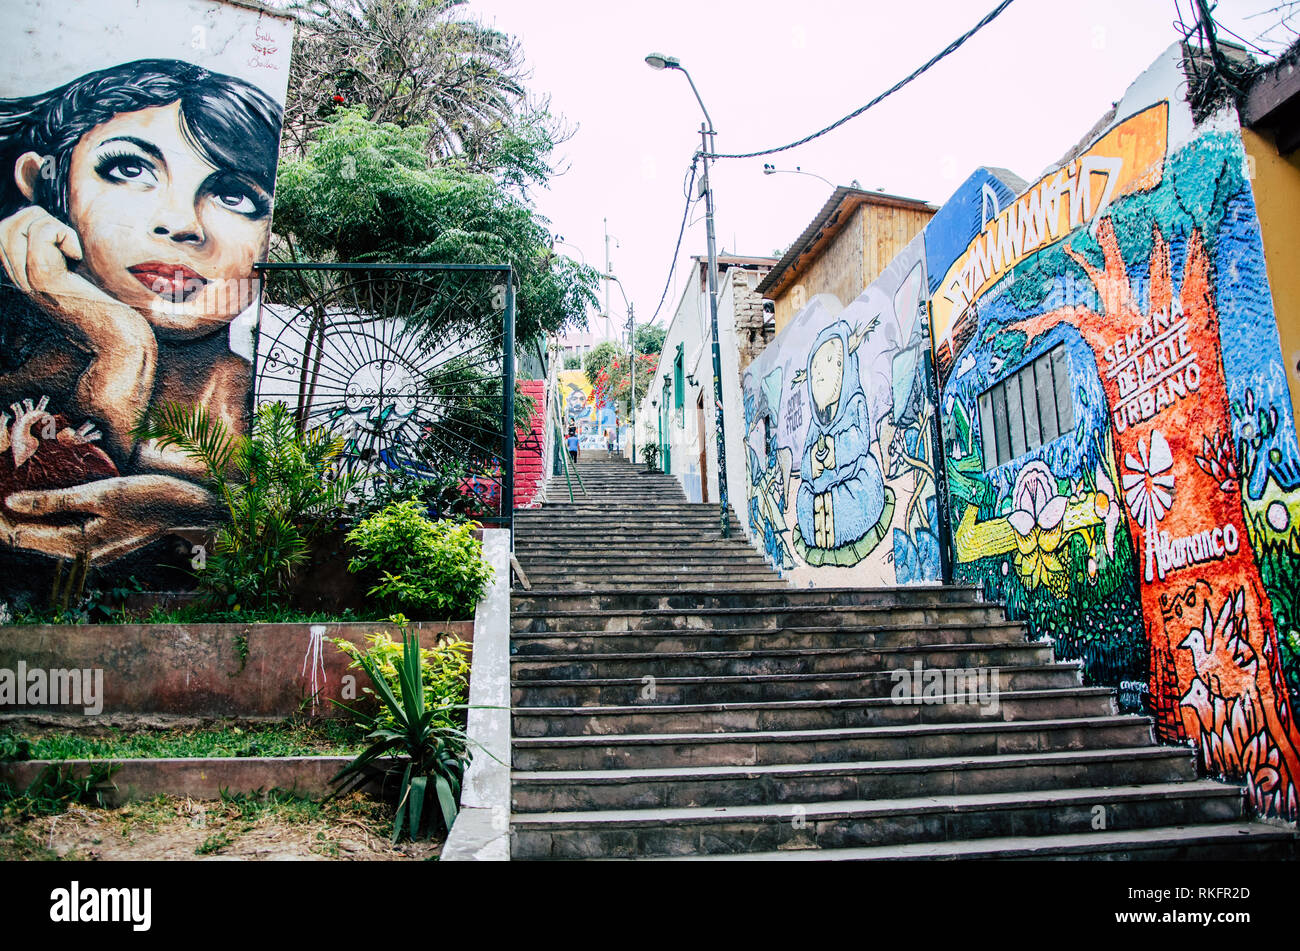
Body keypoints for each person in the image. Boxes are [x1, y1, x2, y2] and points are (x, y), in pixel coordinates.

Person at [0, 58, 283, 564]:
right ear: (45, 186)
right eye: (130, 170)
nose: (182, 224)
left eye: (234, 195)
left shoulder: (249, 397)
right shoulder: (19, 375)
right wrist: (122, 342)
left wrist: (193, 508)